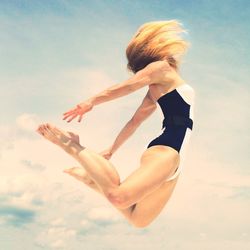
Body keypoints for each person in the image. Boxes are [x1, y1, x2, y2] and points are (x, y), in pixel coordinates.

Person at [36, 19, 195, 228]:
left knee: (139, 220)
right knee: (120, 198)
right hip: (167, 150)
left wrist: (112, 149)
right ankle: (71, 145)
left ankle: (92, 179)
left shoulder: (162, 85)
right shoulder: (160, 68)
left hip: (177, 161)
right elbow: (127, 87)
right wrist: (90, 101)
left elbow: (134, 122)